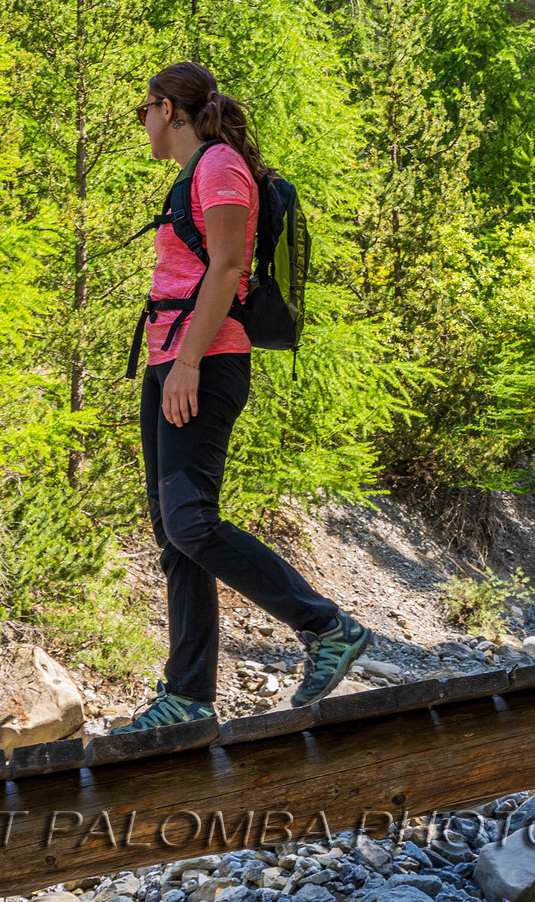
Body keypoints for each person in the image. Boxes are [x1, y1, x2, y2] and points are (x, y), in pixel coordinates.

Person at [123, 59, 370, 731]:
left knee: (193, 522)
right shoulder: (195, 171)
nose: (140, 123)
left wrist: (188, 364)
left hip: (203, 359)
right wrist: (170, 362)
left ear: (167, 109)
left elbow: (229, 266)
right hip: (170, 356)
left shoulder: (219, 166)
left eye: (142, 109)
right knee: (178, 536)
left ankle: (328, 627)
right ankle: (188, 696)